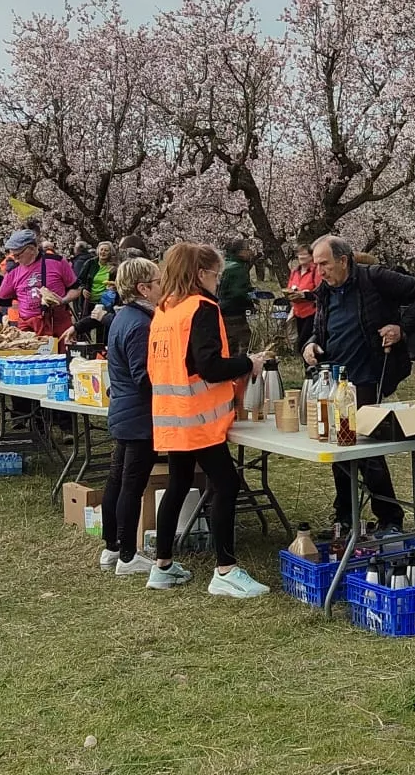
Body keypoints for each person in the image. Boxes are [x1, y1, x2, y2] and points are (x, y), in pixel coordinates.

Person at [144, 242, 268, 596]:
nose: (218, 282)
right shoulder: (202, 307)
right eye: (216, 275)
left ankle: (163, 565)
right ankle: (225, 570)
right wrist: (248, 363)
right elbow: (209, 366)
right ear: (201, 274)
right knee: (225, 484)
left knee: (179, 484)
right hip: (199, 417)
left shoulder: (165, 309)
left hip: (170, 414)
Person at [303, 234, 415, 535]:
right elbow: (319, 328)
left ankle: (390, 518)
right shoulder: (325, 291)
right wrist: (311, 344)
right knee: (340, 447)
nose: (320, 271)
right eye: (316, 265)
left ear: (344, 260)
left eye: (324, 264)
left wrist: (401, 329)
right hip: (334, 377)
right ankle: (346, 517)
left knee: (365, 448)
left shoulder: (373, 278)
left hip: (368, 374)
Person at [98, 256, 161, 577]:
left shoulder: (122, 318)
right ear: (143, 288)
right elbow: (144, 375)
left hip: (123, 410)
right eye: (158, 282)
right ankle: (126, 554)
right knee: (131, 485)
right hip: (138, 416)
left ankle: (111, 548)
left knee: (117, 480)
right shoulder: (140, 324)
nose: (163, 288)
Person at [0, 229, 76, 337]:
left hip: (57, 323)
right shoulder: (13, 272)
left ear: (31, 249)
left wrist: (63, 300)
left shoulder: (57, 262)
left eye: (18, 255)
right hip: (28, 328)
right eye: (13, 256)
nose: (16, 260)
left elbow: (76, 289)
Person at [218, 238, 258, 355]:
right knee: (242, 342)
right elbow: (238, 293)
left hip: (221, 310)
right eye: (247, 249)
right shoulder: (237, 268)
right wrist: (251, 299)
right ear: (239, 252)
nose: (250, 252)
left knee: (227, 343)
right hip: (233, 312)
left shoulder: (224, 264)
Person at [74, 241, 117, 317]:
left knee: (102, 325)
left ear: (110, 253)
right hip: (89, 301)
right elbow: (80, 280)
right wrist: (83, 289)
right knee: (85, 324)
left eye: (106, 250)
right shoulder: (90, 263)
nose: (103, 252)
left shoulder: (114, 267)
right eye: (101, 249)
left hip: (105, 302)